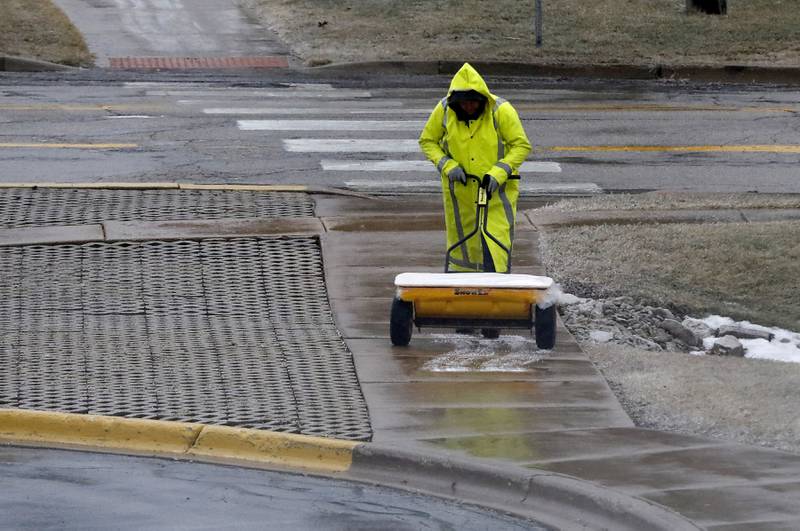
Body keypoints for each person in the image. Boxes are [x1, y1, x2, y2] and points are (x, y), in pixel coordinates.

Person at [419, 63, 531, 273]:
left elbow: (521, 145)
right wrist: (448, 166)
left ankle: (496, 285)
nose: (469, 107)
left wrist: (498, 173)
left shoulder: (500, 110)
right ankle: (461, 286)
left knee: (494, 245)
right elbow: (427, 141)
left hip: (495, 195)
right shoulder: (444, 109)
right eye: (464, 104)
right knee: (462, 247)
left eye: (473, 102)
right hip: (461, 195)